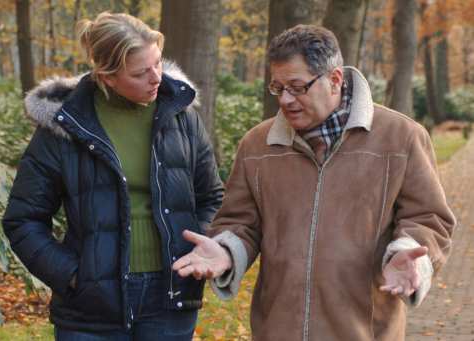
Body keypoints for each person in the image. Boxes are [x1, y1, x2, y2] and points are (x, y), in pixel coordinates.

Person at [173, 25, 455, 341]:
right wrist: (226, 250)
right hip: (276, 330)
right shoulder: (257, 145)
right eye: (278, 88)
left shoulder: (401, 137)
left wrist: (406, 250)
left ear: (334, 80)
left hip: (364, 331)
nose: (286, 100)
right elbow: (240, 221)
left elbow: (429, 218)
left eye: (297, 87)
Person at [2, 12, 223, 341]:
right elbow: (23, 219)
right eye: (140, 73)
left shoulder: (182, 117)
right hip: (90, 310)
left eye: (158, 63)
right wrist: (76, 276)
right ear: (106, 77)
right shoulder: (64, 127)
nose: (156, 78)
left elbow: (212, 197)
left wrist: (196, 250)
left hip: (171, 298)